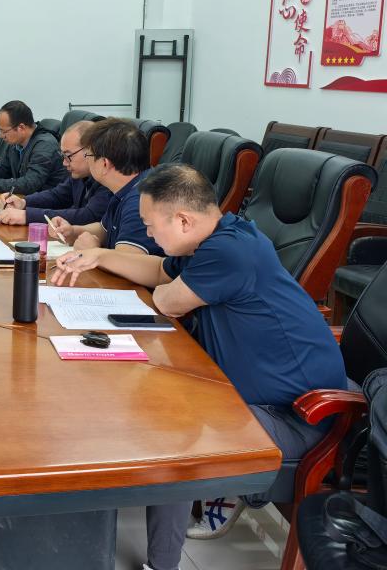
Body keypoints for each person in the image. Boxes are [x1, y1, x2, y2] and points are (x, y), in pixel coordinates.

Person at [50, 163, 347, 570]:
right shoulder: (216, 237)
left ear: (184, 220)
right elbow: (159, 272)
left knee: (175, 431)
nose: (148, 235)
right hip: (251, 391)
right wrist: (99, 255)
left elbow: (168, 301)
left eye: (151, 226)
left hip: (296, 416)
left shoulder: (228, 251)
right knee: (148, 389)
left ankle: (162, 563)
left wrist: (162, 285)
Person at [46, 118, 162, 255]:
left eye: (88, 155)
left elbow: (126, 261)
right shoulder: (124, 188)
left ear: (105, 164)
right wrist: (73, 232)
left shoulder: (140, 201)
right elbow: (104, 230)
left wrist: (94, 252)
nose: (87, 160)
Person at [0, 120, 111, 226]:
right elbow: (57, 196)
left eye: (68, 156)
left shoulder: (108, 179)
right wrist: (23, 202)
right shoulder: (79, 175)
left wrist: (27, 216)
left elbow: (88, 216)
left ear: (91, 150)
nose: (64, 163)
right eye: (63, 156)